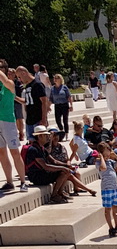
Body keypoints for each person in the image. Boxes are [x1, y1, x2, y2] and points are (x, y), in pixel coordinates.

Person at [24, 125, 72, 202]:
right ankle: (54, 195)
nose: (48, 137)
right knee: (63, 172)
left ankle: (59, 192)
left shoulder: (41, 148)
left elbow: (54, 161)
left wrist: (67, 165)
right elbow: (45, 166)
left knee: (67, 171)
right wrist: (63, 168)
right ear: (39, 137)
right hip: (37, 176)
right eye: (45, 135)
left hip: (43, 173)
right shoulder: (34, 149)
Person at [0, 59, 27, 192]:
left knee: (14, 151)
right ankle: (9, 181)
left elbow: (4, 81)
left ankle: (22, 181)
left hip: (8, 121)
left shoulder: (9, 84)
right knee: (2, 152)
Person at [47, 127, 96, 196]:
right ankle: (89, 190)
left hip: (64, 167)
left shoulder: (62, 147)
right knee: (69, 174)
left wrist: (68, 163)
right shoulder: (48, 148)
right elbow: (50, 156)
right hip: (55, 169)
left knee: (77, 173)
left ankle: (77, 188)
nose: (56, 137)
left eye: (57, 135)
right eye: (54, 136)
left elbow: (67, 159)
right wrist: (50, 140)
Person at [97, 141, 117, 237]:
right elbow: (103, 168)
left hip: (114, 188)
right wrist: (101, 157)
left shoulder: (111, 162)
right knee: (108, 209)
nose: (108, 155)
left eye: (109, 153)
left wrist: (115, 156)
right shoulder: (99, 163)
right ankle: (111, 228)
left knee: (115, 208)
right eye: (106, 153)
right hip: (106, 189)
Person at [15, 66, 48, 140]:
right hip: (29, 119)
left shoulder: (37, 84)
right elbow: (27, 101)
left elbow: (44, 102)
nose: (19, 80)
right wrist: (15, 97)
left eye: (19, 77)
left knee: (40, 142)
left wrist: (43, 119)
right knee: (31, 142)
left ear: (24, 73)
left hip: (38, 119)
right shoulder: (27, 86)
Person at [49, 74, 73, 139]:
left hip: (64, 104)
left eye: (57, 78)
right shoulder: (52, 88)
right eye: (54, 78)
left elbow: (69, 96)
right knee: (57, 120)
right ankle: (61, 130)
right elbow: (51, 98)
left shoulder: (64, 87)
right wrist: (48, 106)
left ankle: (67, 134)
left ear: (60, 79)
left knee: (65, 120)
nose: (55, 79)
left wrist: (71, 105)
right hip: (57, 105)